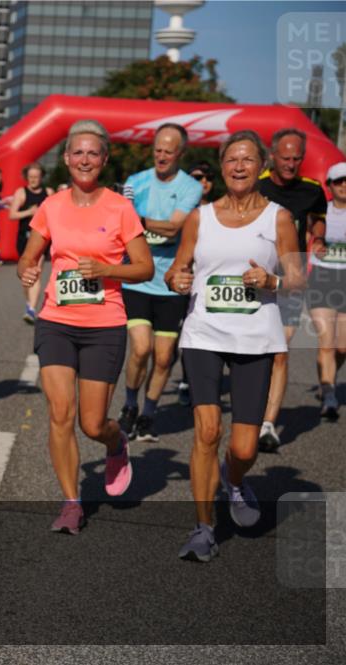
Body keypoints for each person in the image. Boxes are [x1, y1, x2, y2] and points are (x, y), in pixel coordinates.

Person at [166, 130, 304, 562]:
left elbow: (297, 278)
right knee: (207, 432)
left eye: (247, 160)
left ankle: (235, 480)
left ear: (260, 165)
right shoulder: (200, 217)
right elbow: (177, 269)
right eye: (231, 160)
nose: (238, 167)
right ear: (222, 166)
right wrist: (177, 280)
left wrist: (272, 281)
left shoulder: (277, 218)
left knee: (243, 448)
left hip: (255, 339)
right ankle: (203, 528)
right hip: (203, 334)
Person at [18, 119, 153, 534]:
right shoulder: (51, 206)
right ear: (66, 159)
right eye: (78, 152)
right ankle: (71, 502)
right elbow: (29, 256)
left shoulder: (119, 207)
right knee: (60, 412)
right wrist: (26, 270)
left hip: (104, 324)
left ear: (104, 159)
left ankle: (116, 443)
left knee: (91, 424)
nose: (85, 159)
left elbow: (145, 267)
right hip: (56, 321)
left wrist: (107, 268)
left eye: (93, 153)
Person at [117, 124, 202, 442]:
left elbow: (174, 228)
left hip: (171, 282)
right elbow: (122, 224)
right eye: (157, 149)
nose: (162, 155)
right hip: (137, 279)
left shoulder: (190, 187)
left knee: (164, 356)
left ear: (180, 153)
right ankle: (129, 405)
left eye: (169, 150)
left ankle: (149, 413)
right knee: (141, 347)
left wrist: (138, 221)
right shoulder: (135, 182)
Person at [256, 128, 327, 451]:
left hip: (290, 280)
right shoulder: (257, 185)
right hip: (254, 278)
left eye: (297, 158)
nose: (291, 164)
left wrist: (319, 238)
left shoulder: (311, 190)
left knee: (279, 350)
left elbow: (317, 219)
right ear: (273, 156)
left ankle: (268, 424)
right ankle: (251, 409)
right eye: (285, 158)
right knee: (254, 352)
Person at [171, 160, 217, 405]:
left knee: (197, 332)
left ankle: (190, 379)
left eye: (208, 178)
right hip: (178, 278)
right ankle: (168, 367)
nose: (203, 182)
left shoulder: (219, 210)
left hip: (205, 280)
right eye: (198, 177)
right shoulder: (178, 208)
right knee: (170, 340)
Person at [306, 162, 346, 420]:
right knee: (327, 342)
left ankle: (328, 374)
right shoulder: (320, 213)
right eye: (339, 181)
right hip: (322, 278)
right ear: (330, 186)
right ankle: (329, 394)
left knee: (342, 347)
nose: (344, 185)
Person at [9, 162, 54, 323]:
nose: (33, 180)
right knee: (26, 274)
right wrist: (29, 212)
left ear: (42, 177)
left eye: (36, 177)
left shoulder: (48, 192)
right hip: (24, 238)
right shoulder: (21, 193)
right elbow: (12, 214)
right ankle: (29, 302)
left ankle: (32, 309)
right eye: (31, 177)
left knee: (37, 271)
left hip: (42, 238)